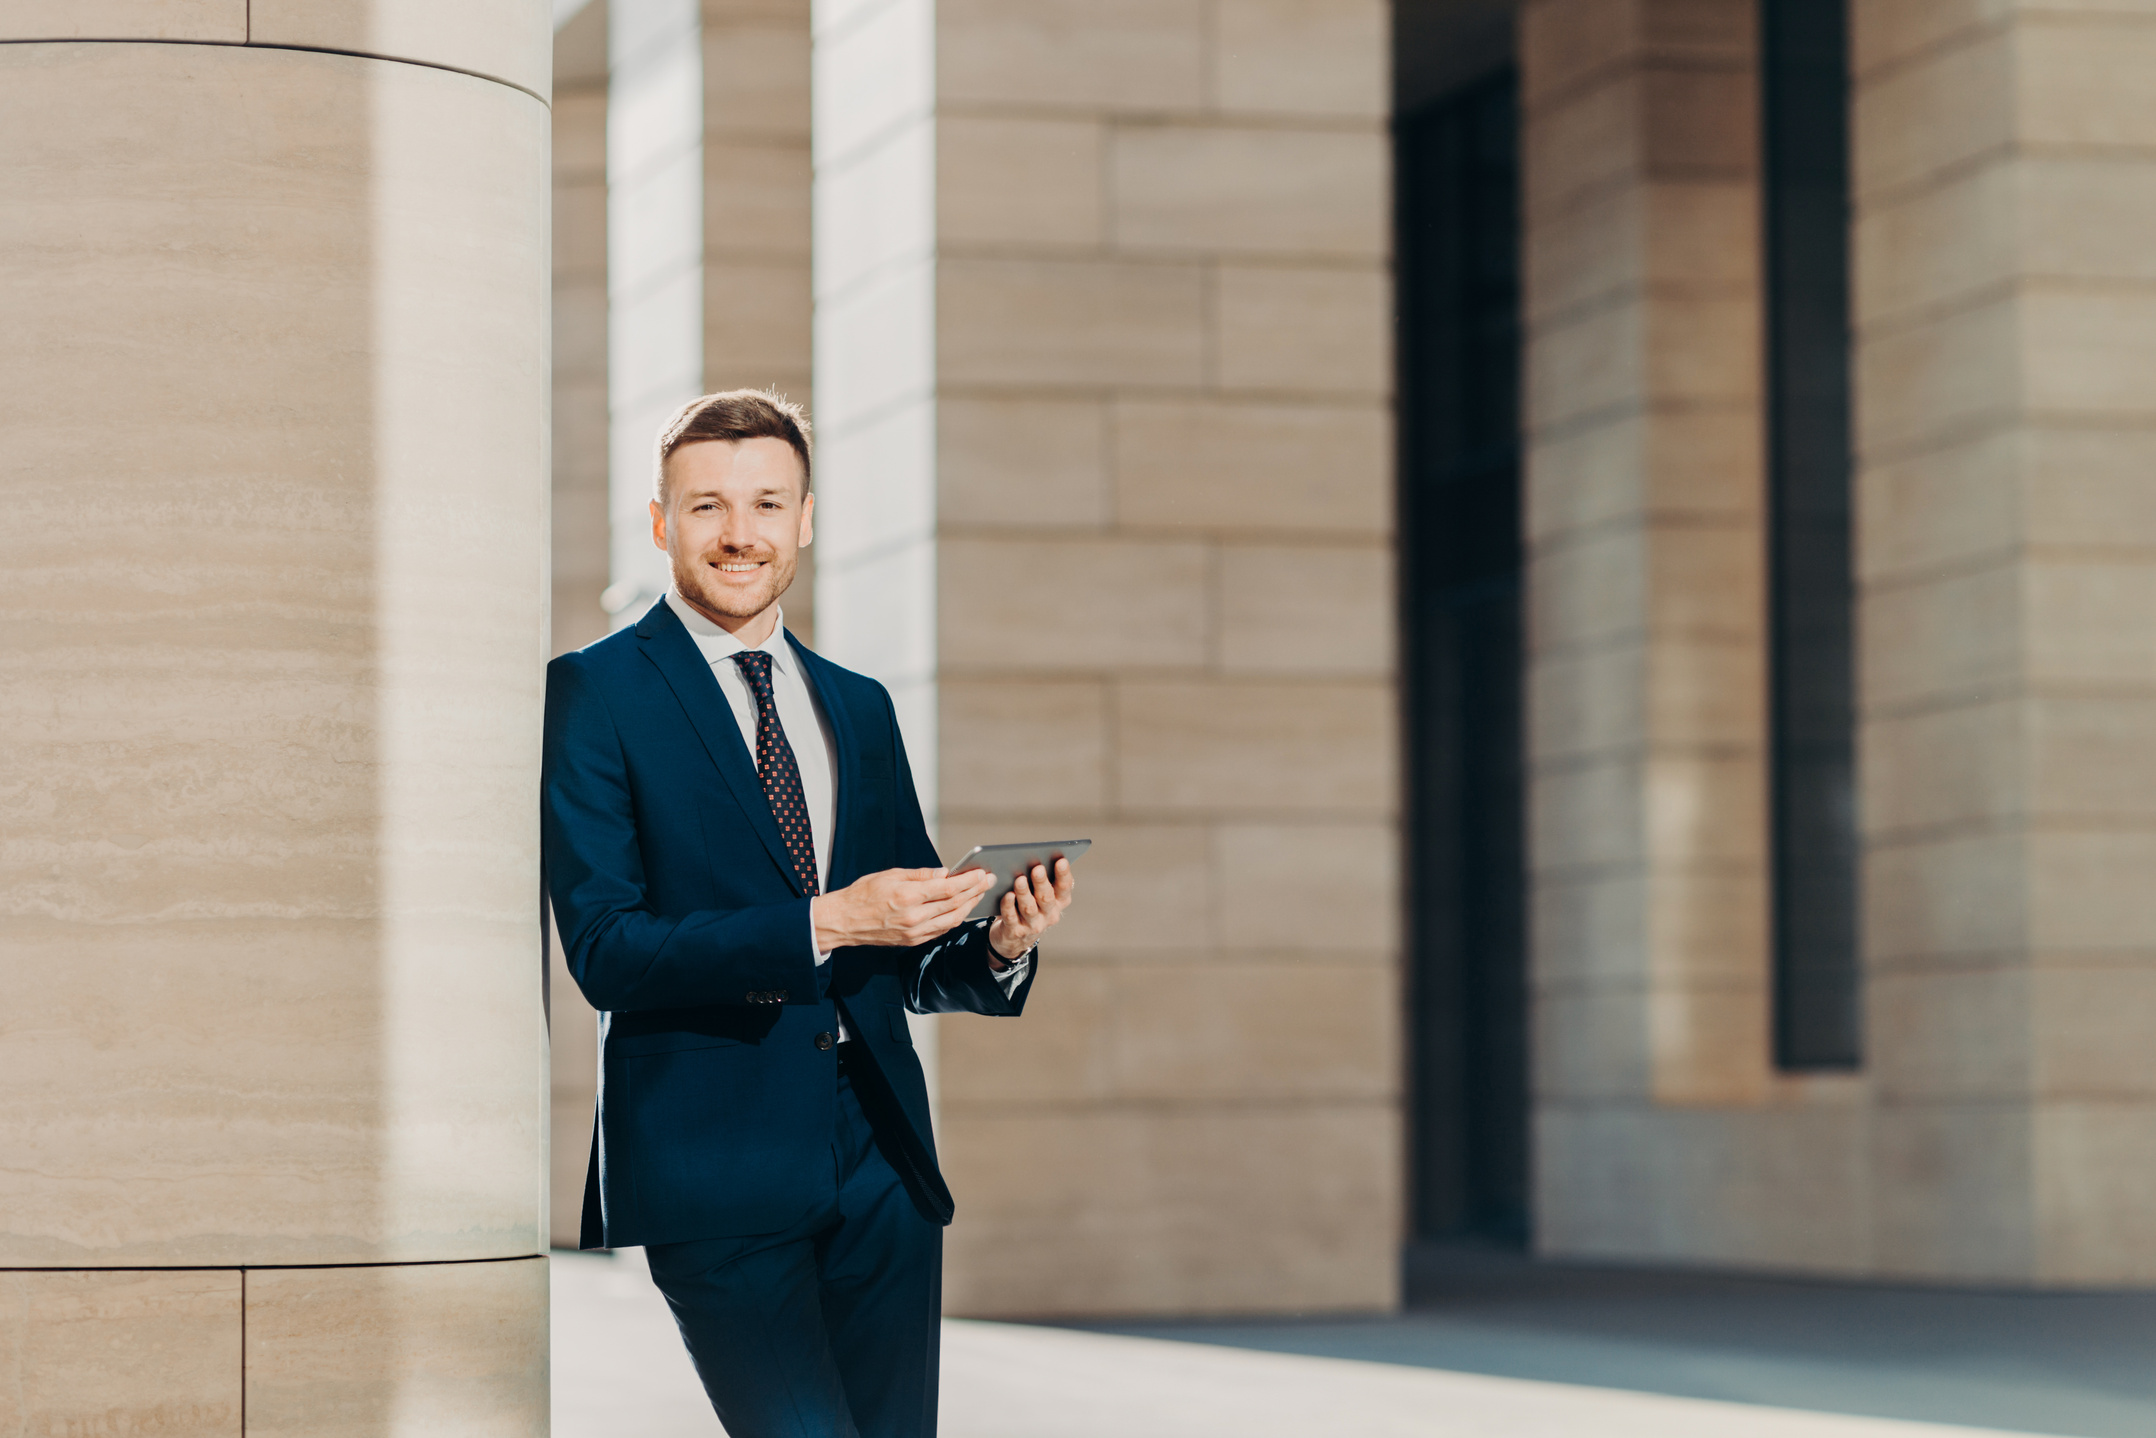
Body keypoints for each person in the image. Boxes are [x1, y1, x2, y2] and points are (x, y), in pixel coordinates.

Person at [542, 389, 1074, 1437]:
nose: (740, 534)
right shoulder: (594, 693)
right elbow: (607, 950)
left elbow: (908, 950)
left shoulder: (856, 704)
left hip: (876, 1150)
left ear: (807, 519)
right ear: (659, 523)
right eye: (707, 508)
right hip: (714, 1161)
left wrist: (996, 943)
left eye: (766, 504)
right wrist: (825, 921)